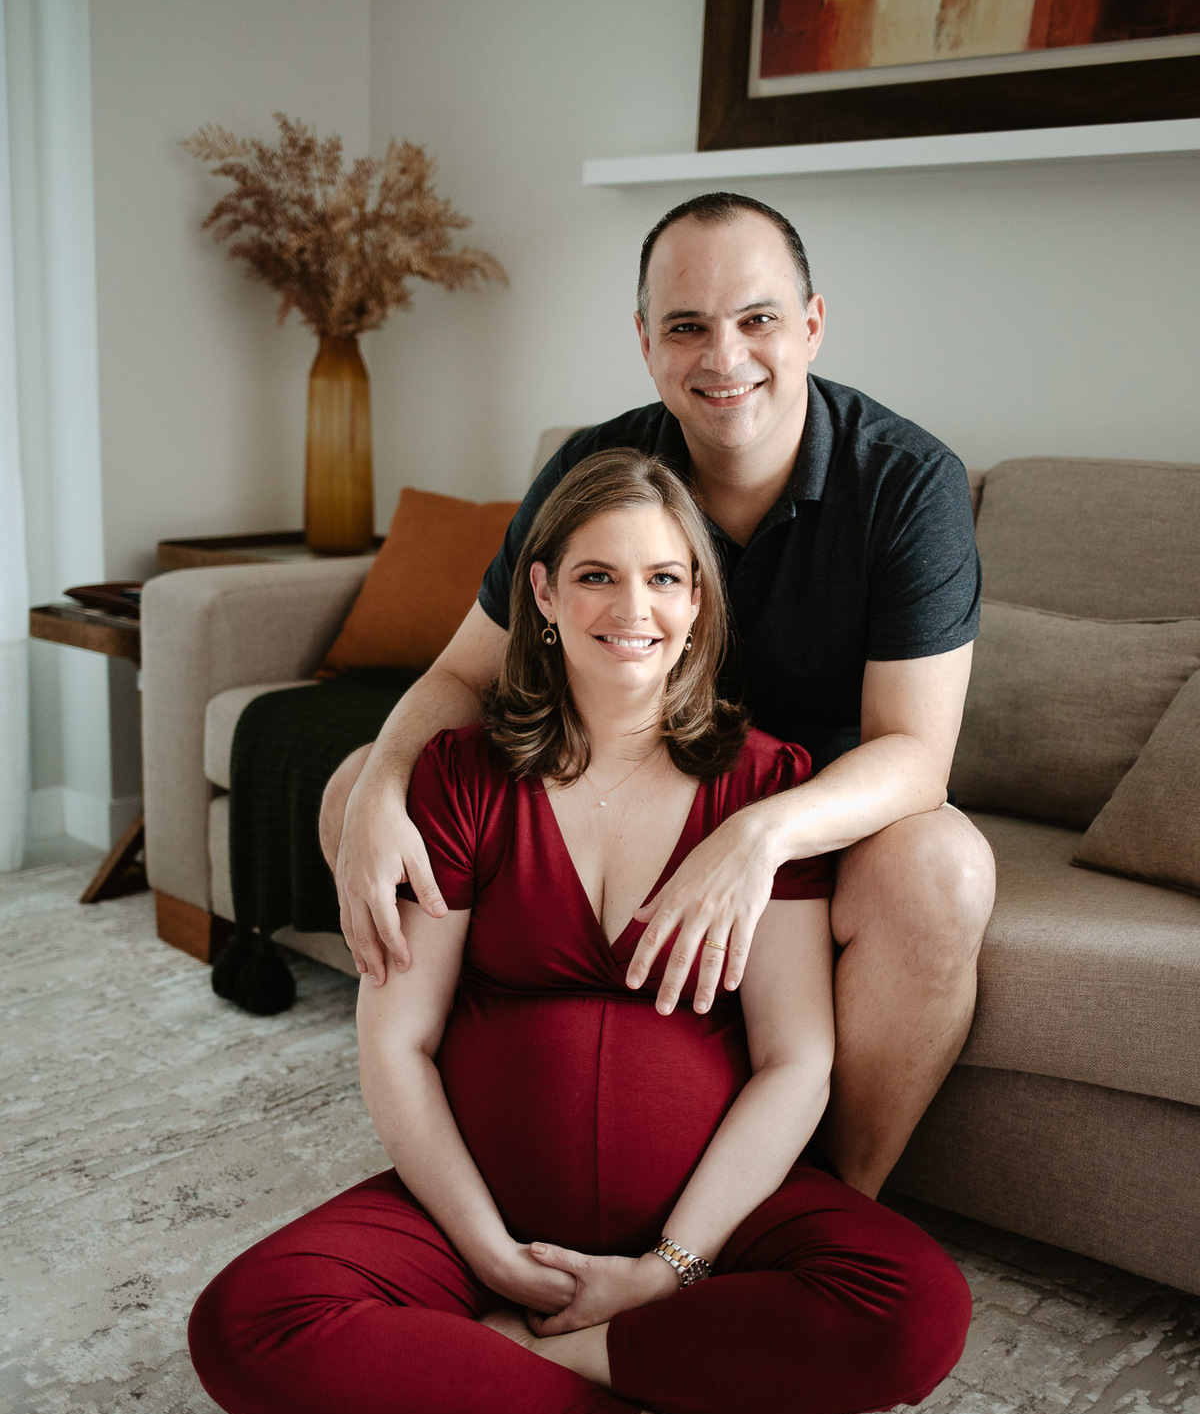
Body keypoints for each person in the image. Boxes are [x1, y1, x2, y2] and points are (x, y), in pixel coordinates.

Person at [190, 450, 972, 1414]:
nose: (633, 607)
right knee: (249, 1324)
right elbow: (399, 1044)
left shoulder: (767, 785)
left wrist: (668, 1270)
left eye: (664, 578)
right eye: (597, 576)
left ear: (699, 604)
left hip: (702, 1228)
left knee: (918, 1316)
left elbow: (798, 1059)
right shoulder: (463, 778)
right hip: (481, 1213)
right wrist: (483, 1251)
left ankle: (527, 1361)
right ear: (544, 595)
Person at [321, 191, 995, 1198]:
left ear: (811, 324)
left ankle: (833, 1200)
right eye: (686, 326)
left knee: (944, 868)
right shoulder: (594, 467)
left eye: (758, 319)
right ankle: (487, 1147)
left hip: (806, 814)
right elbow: (466, 673)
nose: (723, 357)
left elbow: (917, 759)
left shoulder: (907, 483)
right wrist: (377, 788)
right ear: (646, 343)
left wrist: (757, 838)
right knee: (350, 792)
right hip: (614, 775)